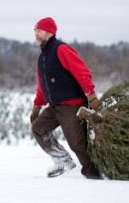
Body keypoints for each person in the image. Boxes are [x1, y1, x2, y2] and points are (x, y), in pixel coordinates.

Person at [30, 17, 103, 179]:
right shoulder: (42, 58)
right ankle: (64, 162)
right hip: (55, 106)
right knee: (38, 128)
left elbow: (81, 71)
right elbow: (42, 86)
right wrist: (37, 106)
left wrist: (90, 95)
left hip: (72, 105)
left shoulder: (61, 49)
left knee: (77, 144)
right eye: (35, 31)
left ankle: (94, 172)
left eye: (39, 30)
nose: (36, 34)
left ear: (49, 32)